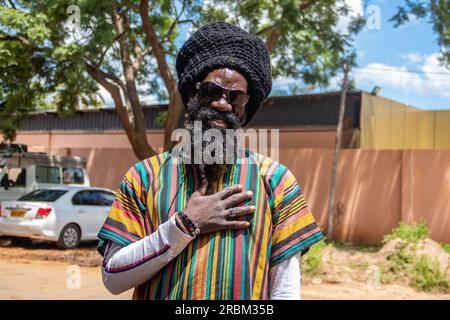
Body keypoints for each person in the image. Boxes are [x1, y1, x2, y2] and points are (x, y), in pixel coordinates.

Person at [97, 21, 323, 300]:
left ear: (244, 107)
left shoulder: (276, 181)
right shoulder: (144, 176)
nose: (222, 104)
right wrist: (185, 225)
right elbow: (113, 277)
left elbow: (285, 290)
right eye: (211, 91)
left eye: (235, 96)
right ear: (193, 93)